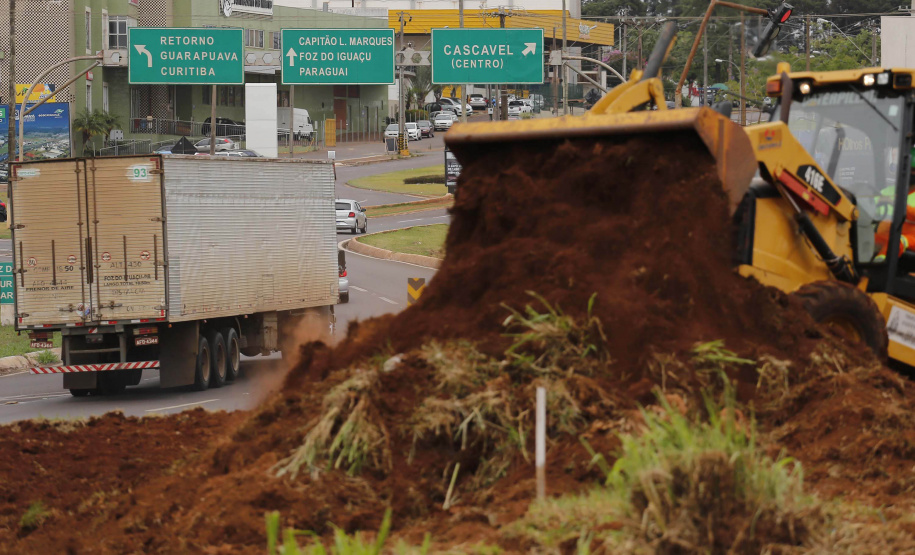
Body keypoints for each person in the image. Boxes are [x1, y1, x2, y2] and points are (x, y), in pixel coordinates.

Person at [874, 147, 915, 262]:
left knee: (897, 241)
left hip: (907, 245)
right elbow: (871, 214)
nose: (911, 173)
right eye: (908, 169)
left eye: (914, 170)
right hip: (885, 235)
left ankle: (880, 265)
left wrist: (897, 205)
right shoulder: (886, 192)